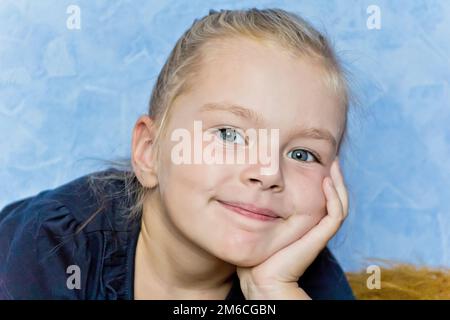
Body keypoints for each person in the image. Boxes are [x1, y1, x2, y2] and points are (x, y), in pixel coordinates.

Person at [0, 8, 354, 300]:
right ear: (150, 152)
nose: (268, 172)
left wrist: (274, 289)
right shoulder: (54, 245)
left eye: (303, 154)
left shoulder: (301, 276)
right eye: (230, 134)